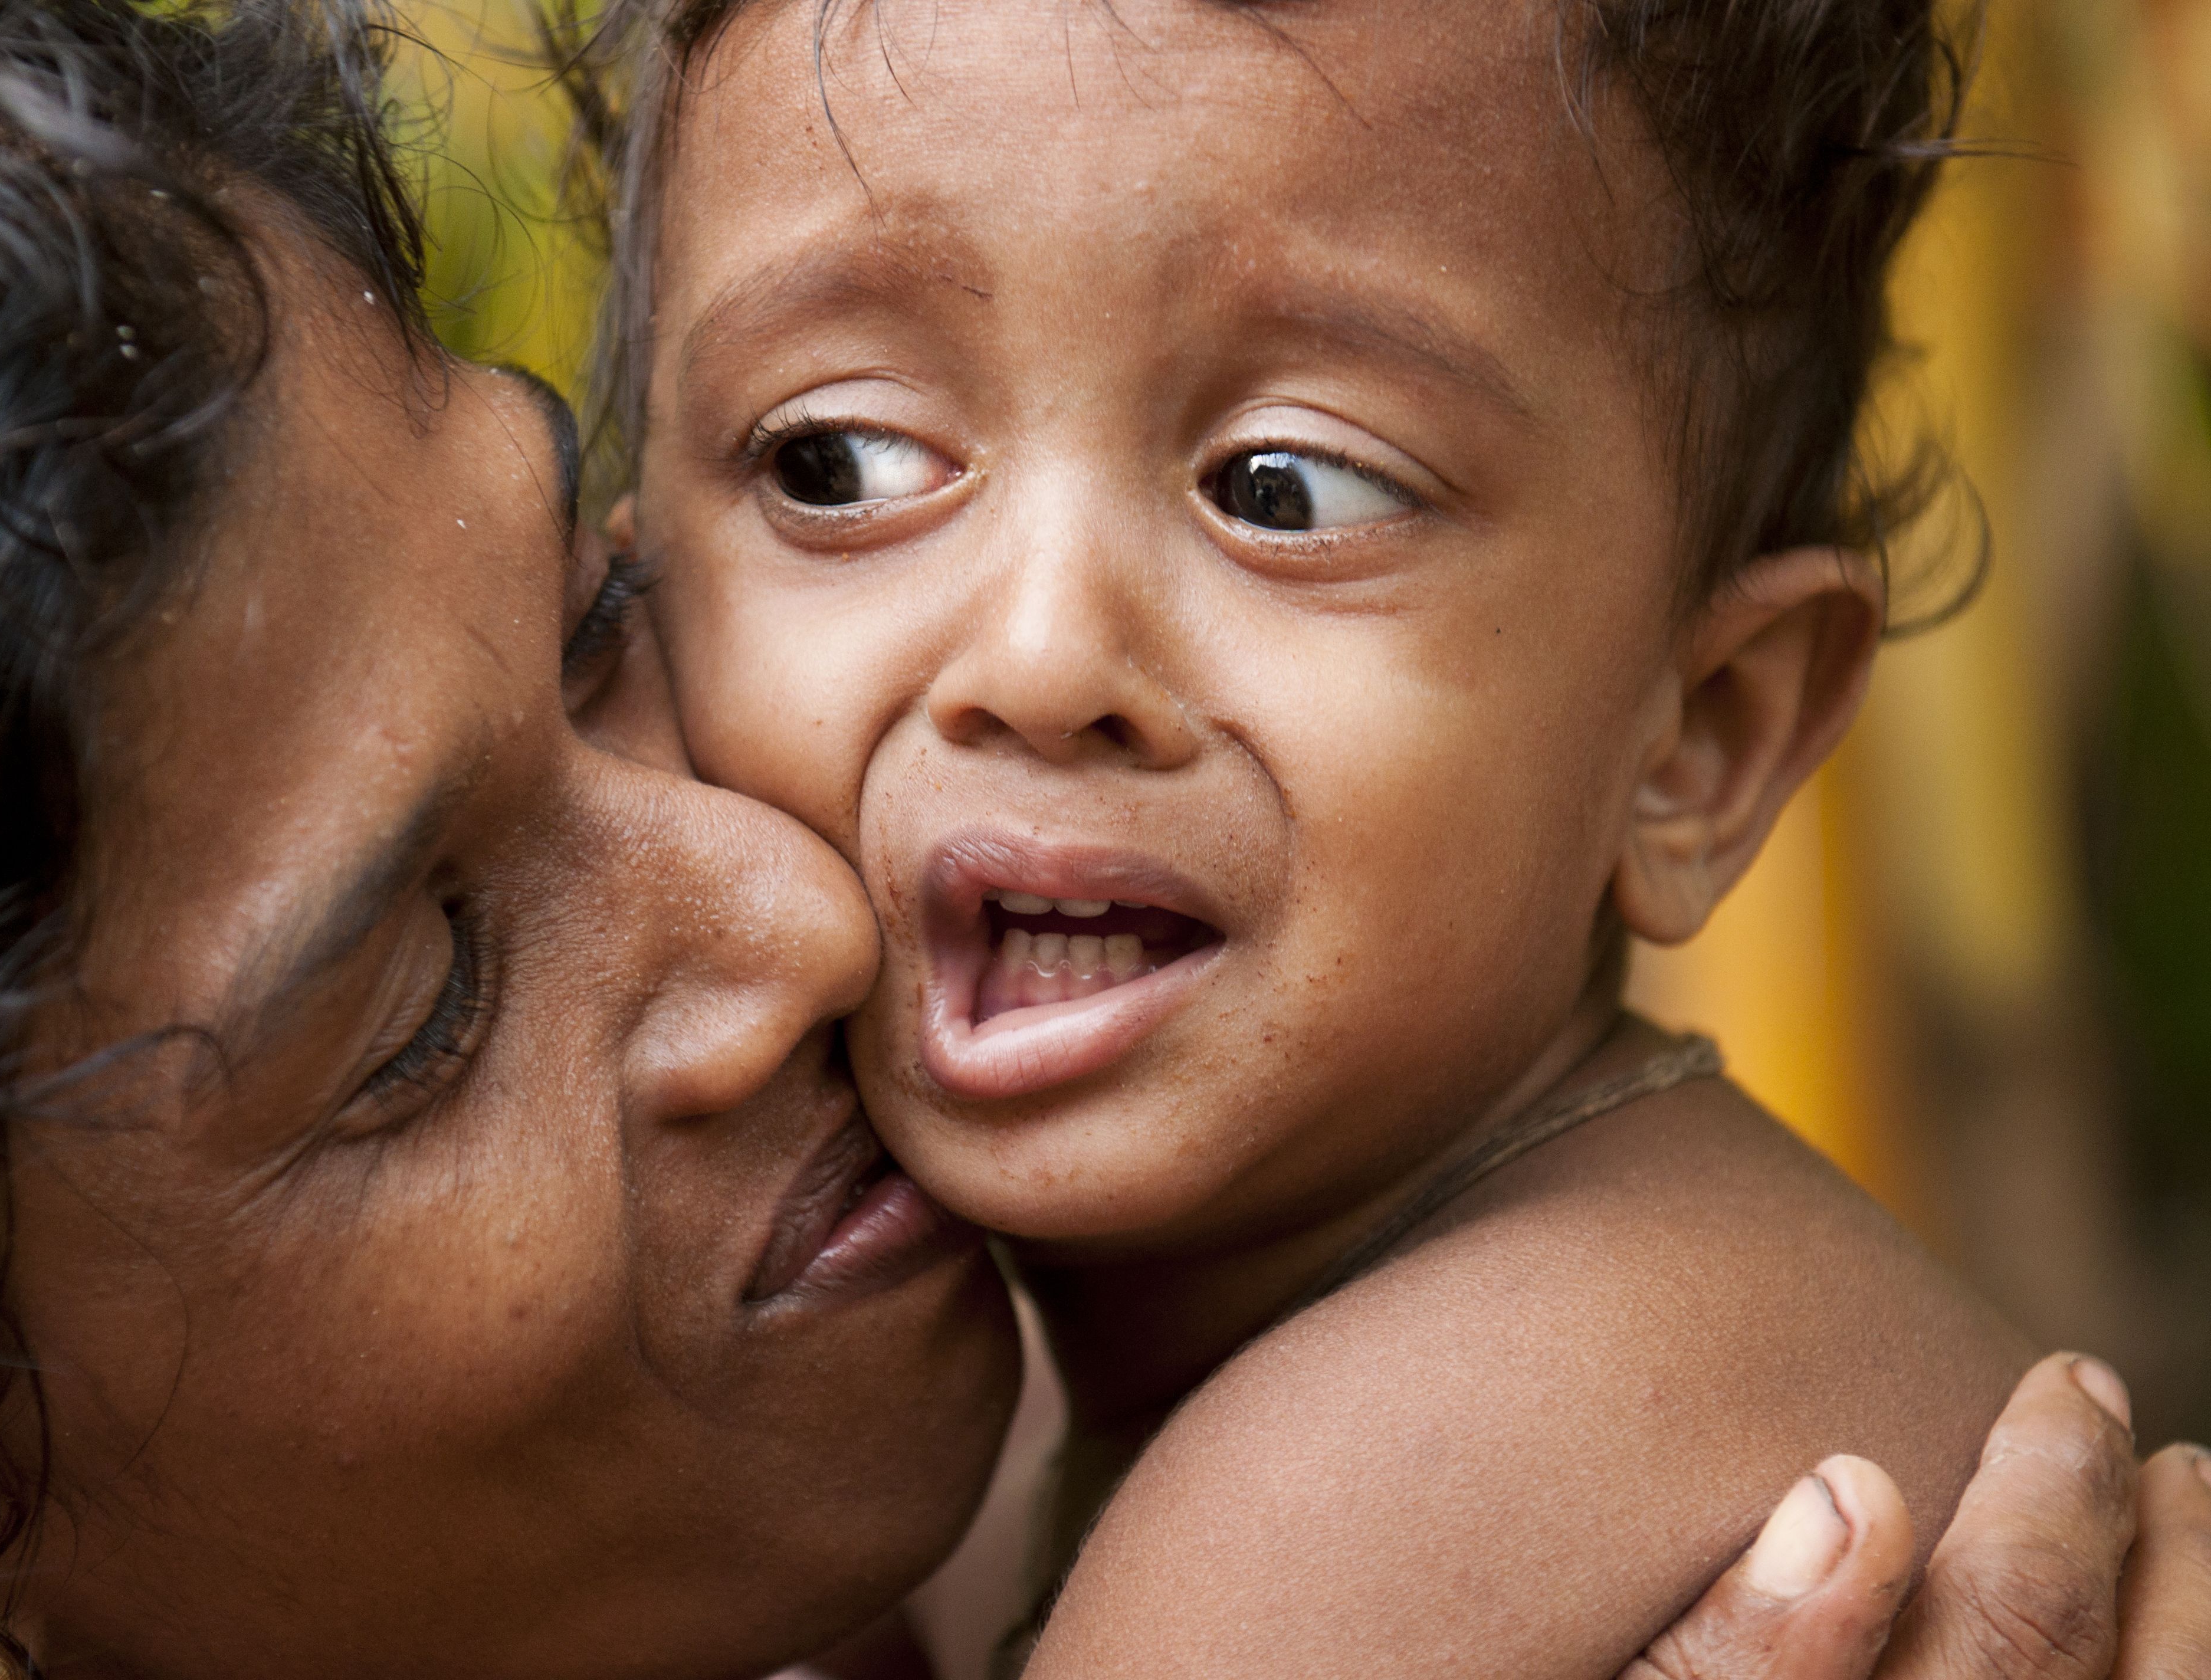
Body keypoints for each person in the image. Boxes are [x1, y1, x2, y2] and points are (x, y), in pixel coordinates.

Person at [0, 2, 2200, 1678]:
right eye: (839, 469)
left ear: (1707, 729)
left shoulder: (1332, 1481)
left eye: (587, 642)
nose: (794, 911)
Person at [592, 0, 2193, 1674]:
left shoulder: (1399, 1473)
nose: (1046, 659)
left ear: (1698, 744)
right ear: (631, 618)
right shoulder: (1025, 1435)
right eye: (837, 461)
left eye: (1289, 488)